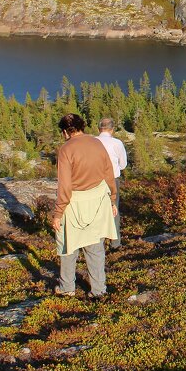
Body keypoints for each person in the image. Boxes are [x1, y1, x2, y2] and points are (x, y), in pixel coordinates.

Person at [53, 113, 118, 297]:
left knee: (68, 247)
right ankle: (98, 290)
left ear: (65, 131)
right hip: (98, 200)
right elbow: (109, 174)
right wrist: (112, 199)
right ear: (82, 126)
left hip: (74, 204)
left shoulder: (66, 150)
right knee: (95, 247)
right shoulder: (97, 143)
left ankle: (67, 288)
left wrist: (58, 213)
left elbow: (64, 186)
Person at [95, 117, 128, 248]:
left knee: (97, 211)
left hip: (95, 181)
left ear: (99, 128)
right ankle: (115, 243)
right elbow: (123, 164)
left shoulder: (93, 142)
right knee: (114, 209)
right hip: (112, 180)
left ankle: (98, 242)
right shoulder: (117, 143)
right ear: (112, 129)